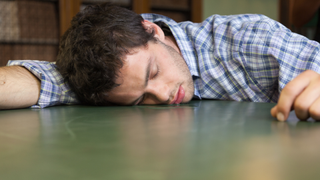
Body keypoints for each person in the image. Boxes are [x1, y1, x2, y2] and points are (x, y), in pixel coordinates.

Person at [1, 3, 320, 122]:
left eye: (152, 72)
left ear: (150, 30)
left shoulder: (248, 38)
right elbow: (41, 79)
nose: (164, 95)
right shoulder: (110, 82)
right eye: (142, 99)